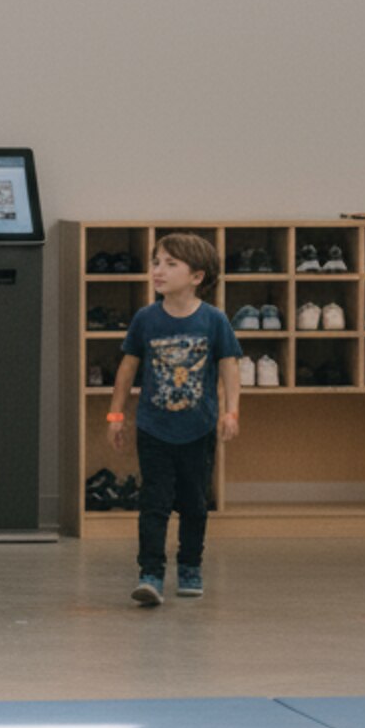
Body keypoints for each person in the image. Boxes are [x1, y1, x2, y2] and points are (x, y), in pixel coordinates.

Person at [106, 232, 241, 608]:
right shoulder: (145, 319)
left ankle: (190, 565)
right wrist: (116, 416)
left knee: (195, 503)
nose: (158, 271)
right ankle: (150, 574)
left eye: (170, 264)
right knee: (154, 502)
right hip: (153, 428)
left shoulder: (213, 320)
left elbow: (229, 367)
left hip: (198, 430)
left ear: (197, 276)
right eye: (155, 262)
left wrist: (232, 411)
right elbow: (126, 370)